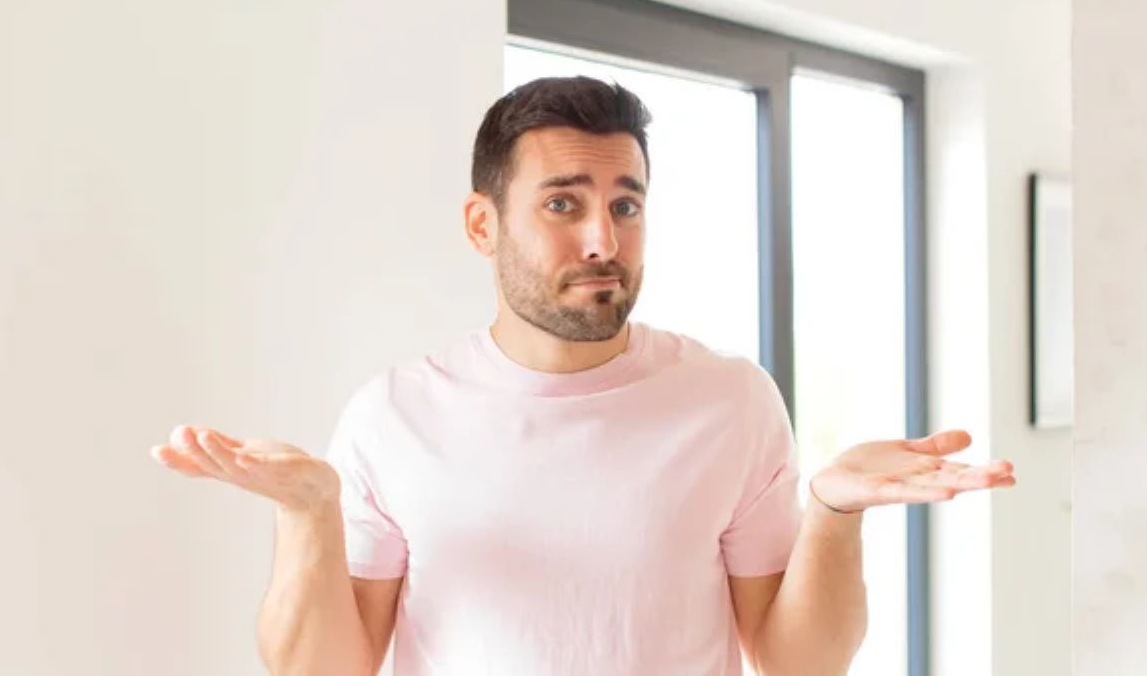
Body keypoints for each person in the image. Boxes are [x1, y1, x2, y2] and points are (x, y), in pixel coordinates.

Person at [150, 76, 1016, 676]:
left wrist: (833, 514)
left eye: (625, 205)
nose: (604, 240)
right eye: (562, 203)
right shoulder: (393, 415)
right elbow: (323, 670)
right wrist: (309, 516)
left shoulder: (731, 400)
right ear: (483, 225)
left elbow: (799, 663)